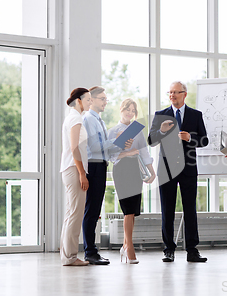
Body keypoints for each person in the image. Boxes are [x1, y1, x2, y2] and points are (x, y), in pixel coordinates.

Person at [148, 81, 209, 262]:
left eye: (176, 92)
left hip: (188, 169)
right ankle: (169, 249)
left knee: (190, 209)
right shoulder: (161, 115)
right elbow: (151, 140)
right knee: (168, 209)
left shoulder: (195, 115)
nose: (172, 95)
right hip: (166, 169)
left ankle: (192, 250)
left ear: (184, 94)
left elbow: (204, 140)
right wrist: (161, 130)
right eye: (170, 92)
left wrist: (190, 137)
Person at [82, 86, 133, 265]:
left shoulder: (99, 120)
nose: (105, 102)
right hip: (94, 166)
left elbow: (104, 146)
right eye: (102, 99)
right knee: (91, 210)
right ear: (92, 100)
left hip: (101, 165)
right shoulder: (89, 118)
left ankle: (92, 251)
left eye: (106, 99)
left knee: (95, 210)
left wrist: (120, 143)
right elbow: (95, 146)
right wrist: (116, 140)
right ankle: (90, 252)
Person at [108, 98, 156, 264]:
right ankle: (130, 248)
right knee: (128, 210)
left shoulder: (137, 130)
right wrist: (127, 152)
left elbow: (143, 151)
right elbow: (110, 156)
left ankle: (124, 246)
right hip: (121, 170)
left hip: (135, 170)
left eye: (133, 111)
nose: (130, 113)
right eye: (127, 109)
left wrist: (152, 171)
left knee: (133, 211)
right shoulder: (113, 131)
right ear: (121, 110)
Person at [59, 87, 91, 266]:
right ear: (78, 100)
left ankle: (67, 256)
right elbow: (74, 148)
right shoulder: (75, 118)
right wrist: (82, 174)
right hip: (73, 170)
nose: (90, 102)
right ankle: (70, 257)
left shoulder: (73, 117)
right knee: (75, 215)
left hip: (70, 169)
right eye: (87, 100)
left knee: (71, 213)